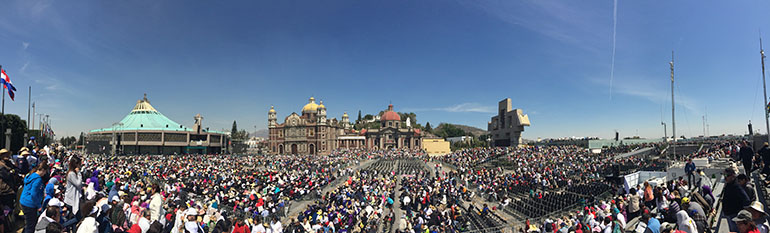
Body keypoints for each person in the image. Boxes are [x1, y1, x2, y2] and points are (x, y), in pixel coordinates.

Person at [20, 160, 50, 233]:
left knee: (28, 223)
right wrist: (39, 206)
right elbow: (33, 194)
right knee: (31, 226)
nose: (45, 174)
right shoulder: (38, 179)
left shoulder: (31, 175)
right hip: (30, 204)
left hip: (24, 201)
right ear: (42, 170)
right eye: (45, 172)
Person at [724, 167, 752, 232]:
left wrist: (741, 212)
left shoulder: (736, 186)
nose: (725, 178)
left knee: (735, 231)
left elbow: (746, 200)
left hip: (734, 214)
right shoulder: (729, 184)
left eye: (727, 176)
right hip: (729, 214)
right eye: (724, 176)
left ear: (733, 176)